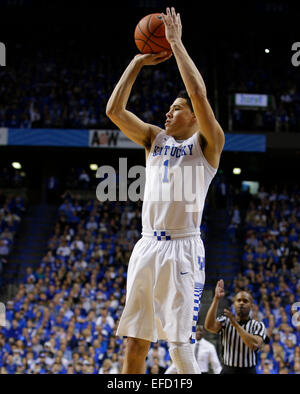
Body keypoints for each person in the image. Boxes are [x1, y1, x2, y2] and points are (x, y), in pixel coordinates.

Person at [106, 7, 224, 374]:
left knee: (179, 348)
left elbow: (198, 94)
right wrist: (137, 62)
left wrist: (176, 43)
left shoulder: (209, 144)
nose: (168, 114)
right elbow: (114, 109)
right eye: (168, 109)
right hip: (147, 246)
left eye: (176, 109)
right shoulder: (153, 139)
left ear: (193, 117)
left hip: (182, 248)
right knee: (134, 345)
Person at [204, 280, 267, 374]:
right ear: (234, 304)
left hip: (248, 371)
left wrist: (235, 324)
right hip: (228, 369)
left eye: (245, 301)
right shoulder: (225, 320)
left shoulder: (258, 325)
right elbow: (209, 326)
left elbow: (254, 345)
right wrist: (216, 299)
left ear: (252, 306)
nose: (241, 303)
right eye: (238, 300)